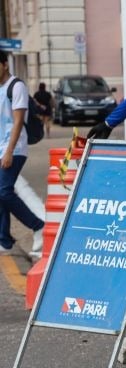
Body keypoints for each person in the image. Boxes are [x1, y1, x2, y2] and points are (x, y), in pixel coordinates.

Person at [0, 51, 44, 259]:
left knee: (4, 191)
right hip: (1, 148)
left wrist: (8, 151)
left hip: (15, 149)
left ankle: (38, 226)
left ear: (4, 65)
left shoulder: (16, 86)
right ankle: (4, 241)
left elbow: (17, 121)